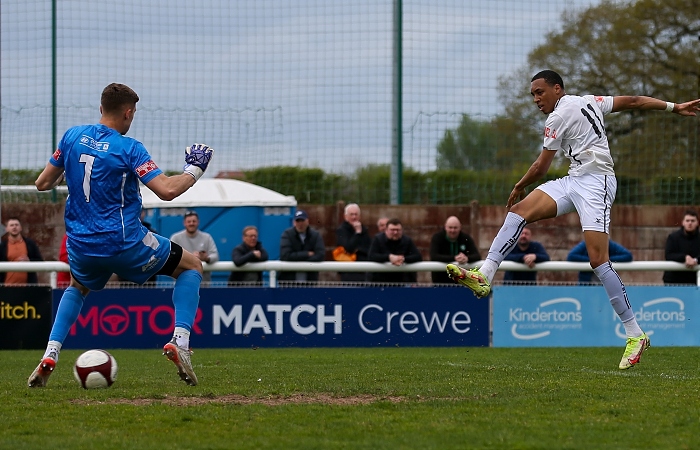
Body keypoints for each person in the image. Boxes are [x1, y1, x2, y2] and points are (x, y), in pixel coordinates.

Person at [446, 69, 700, 370]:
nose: (536, 99)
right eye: (533, 95)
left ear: (557, 89)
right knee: (518, 213)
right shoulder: (591, 100)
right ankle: (485, 274)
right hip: (575, 178)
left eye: (540, 92)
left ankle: (635, 333)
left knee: (598, 260)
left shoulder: (557, 118)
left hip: (597, 183)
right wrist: (674, 107)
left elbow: (541, 167)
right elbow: (633, 101)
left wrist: (519, 185)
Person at [29, 83, 214, 387]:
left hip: (81, 245)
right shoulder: (129, 148)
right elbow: (167, 191)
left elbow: (42, 183)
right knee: (192, 266)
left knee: (77, 286)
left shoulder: (72, 136)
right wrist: (194, 170)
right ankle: (180, 341)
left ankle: (50, 353)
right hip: (125, 242)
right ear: (128, 113)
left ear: (101, 108)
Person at [170, 210, 219, 285]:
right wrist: (190, 258)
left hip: (203, 283)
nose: (191, 223)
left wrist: (206, 258)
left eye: (194, 221)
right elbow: (170, 258)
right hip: (181, 283)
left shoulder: (207, 237)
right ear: (184, 223)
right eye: (189, 221)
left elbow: (215, 256)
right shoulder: (176, 238)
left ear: (198, 222)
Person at [368, 218, 422, 283]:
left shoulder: (407, 240)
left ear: (402, 230)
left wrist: (402, 259)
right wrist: (389, 257)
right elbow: (372, 256)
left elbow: (418, 256)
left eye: (398, 230)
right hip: (381, 281)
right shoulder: (378, 239)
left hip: (402, 281)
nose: (395, 232)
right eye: (392, 230)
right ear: (386, 230)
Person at [429, 216, 480, 285]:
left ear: (460, 227)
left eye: (455, 228)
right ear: (445, 227)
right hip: (440, 283)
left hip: (461, 283)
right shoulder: (437, 238)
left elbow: (477, 256)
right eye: (450, 227)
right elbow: (434, 256)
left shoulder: (466, 238)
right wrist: (454, 258)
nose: (452, 230)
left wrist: (467, 259)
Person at [279, 210, 325, 283]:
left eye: (302, 221)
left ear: (307, 221)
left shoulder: (315, 235)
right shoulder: (287, 234)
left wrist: (299, 259)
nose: (300, 224)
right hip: (288, 281)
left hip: (310, 279)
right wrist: (307, 254)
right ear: (294, 222)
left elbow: (320, 255)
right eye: (298, 221)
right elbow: (285, 255)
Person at [0, 217, 44, 284]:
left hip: (28, 287)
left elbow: (40, 261)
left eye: (16, 225)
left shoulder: (30, 244)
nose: (14, 227)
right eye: (11, 225)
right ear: (7, 229)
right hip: (6, 287)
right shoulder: (2, 246)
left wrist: (29, 261)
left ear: (21, 228)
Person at [568, 239, 632, 284]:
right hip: (587, 286)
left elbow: (628, 256)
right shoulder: (586, 244)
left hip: (608, 286)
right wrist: (594, 260)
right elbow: (571, 256)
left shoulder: (609, 244)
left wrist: (604, 260)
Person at [335, 203, 371, 282]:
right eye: (351, 214)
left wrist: (359, 250)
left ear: (360, 216)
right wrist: (357, 233)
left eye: (356, 214)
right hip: (348, 270)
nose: (354, 217)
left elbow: (368, 249)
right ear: (345, 216)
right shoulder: (341, 230)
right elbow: (348, 249)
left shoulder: (364, 229)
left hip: (363, 269)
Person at [663, 209, 700, 285]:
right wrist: (685, 257)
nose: (690, 223)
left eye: (693, 221)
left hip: (695, 281)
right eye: (687, 221)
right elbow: (669, 255)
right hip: (673, 281)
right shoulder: (673, 237)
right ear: (683, 222)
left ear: (697, 223)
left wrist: (696, 260)